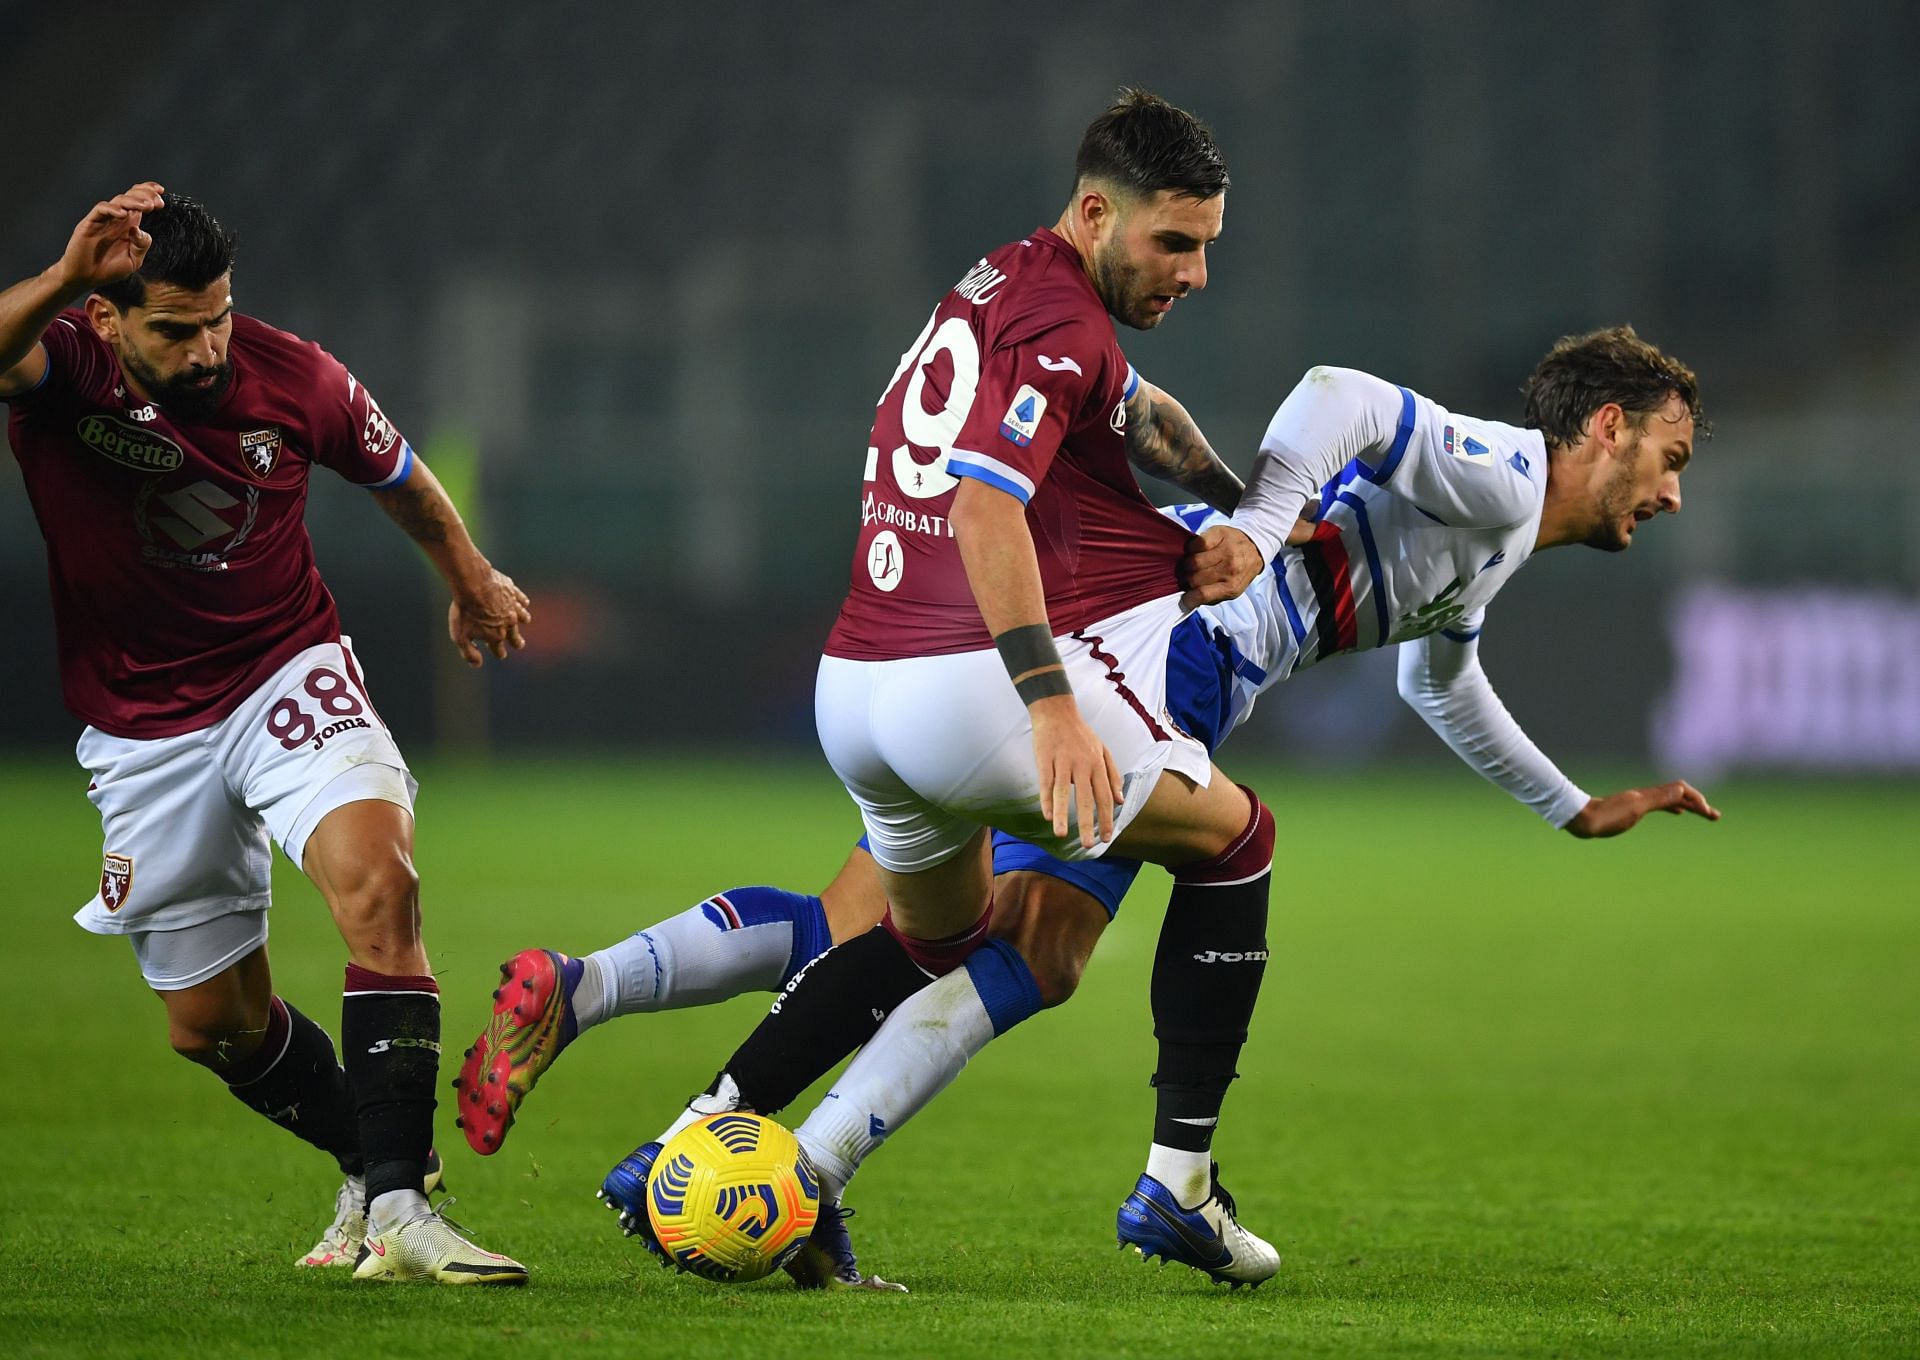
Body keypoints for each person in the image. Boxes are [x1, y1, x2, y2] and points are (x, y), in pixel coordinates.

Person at [462, 325, 1719, 1289]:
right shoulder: (1506, 477)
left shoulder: (1493, 542)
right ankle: (821, 1169)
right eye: (1668, 460)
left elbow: (1438, 679)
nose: (1671, 494)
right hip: (1168, 651)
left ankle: (610, 1010)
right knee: (1044, 947)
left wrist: (1570, 808)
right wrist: (1257, 531)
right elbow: (1340, 396)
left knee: (886, 919)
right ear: (1606, 427)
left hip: (1127, 634)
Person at [1, 185, 532, 1285]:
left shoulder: (297, 377)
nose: (206, 350)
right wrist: (58, 276)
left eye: (220, 318)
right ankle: (375, 1157)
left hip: (285, 672)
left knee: (380, 883)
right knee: (212, 1027)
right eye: (175, 329)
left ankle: (400, 1212)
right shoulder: (63, 363)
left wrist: (473, 579)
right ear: (109, 317)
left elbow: (403, 479)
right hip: (146, 729)